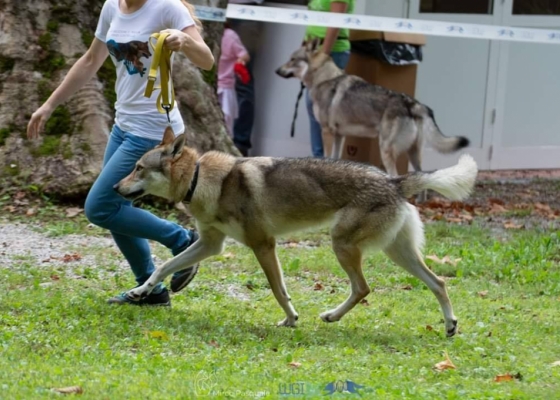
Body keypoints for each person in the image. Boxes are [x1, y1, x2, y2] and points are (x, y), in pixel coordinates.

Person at [26, 0, 215, 306]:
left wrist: (185, 42)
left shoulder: (167, 8)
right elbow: (90, 60)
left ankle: (182, 240)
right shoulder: (112, 7)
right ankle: (150, 290)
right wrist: (49, 104)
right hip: (122, 125)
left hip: (153, 130)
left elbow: (206, 60)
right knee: (115, 207)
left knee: (100, 208)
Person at [305, 0, 355, 158]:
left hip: (332, 52)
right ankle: (320, 160)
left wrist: (324, 54)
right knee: (314, 108)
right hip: (314, 50)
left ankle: (324, 162)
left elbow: (336, 20)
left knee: (325, 112)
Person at [226, 0, 264, 156]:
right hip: (219, 9)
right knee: (215, 77)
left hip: (247, 10)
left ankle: (240, 145)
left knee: (242, 80)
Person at [218, 23, 250, 138]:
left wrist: (240, 63)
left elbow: (244, 55)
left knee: (226, 124)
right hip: (209, 87)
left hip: (225, 88)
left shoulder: (229, 35)